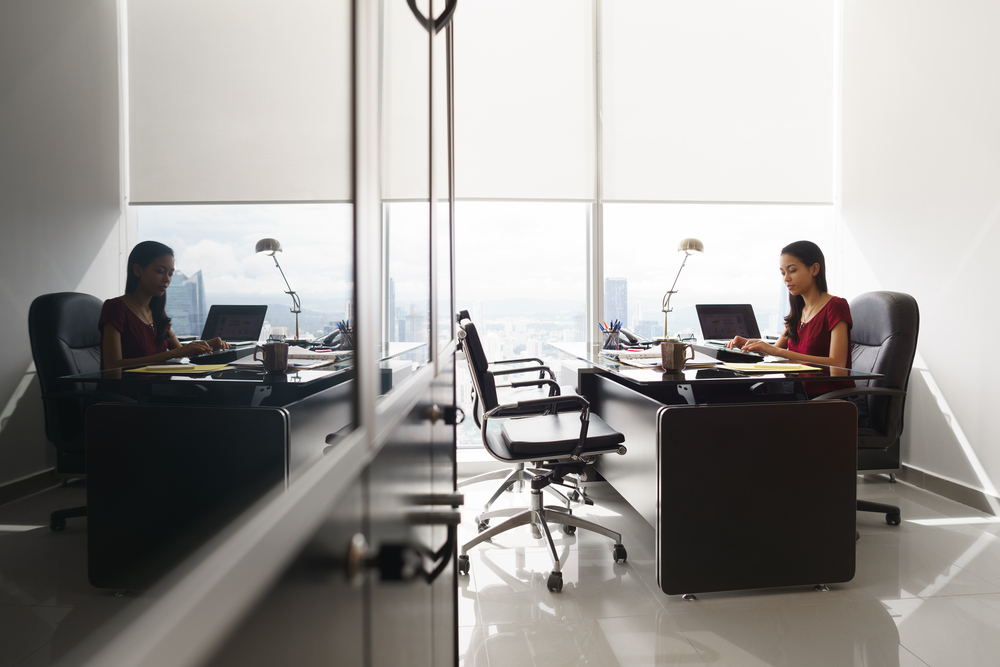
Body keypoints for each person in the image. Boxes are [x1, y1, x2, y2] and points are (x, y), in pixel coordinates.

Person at [725, 240, 857, 399]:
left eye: (792, 270)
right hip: (798, 396)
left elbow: (838, 367)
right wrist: (751, 345)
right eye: (782, 273)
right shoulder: (797, 312)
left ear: (814, 269)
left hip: (828, 399)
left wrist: (781, 352)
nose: (786, 278)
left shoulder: (836, 306)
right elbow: (773, 353)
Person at [99, 241, 229, 369]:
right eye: (160, 271)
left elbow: (183, 353)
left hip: (159, 387)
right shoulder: (115, 308)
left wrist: (207, 346)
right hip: (127, 389)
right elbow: (112, 367)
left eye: (170, 274)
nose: (167, 279)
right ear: (137, 270)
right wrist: (172, 354)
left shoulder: (156, 313)